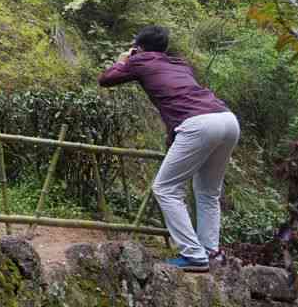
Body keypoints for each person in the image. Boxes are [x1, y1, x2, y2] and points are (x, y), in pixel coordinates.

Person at [98, 25, 240, 272]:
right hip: (227, 119)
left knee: (165, 188)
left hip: (199, 124)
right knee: (208, 192)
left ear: (138, 47)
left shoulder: (139, 60)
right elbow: (179, 100)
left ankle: (194, 255)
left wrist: (122, 60)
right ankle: (210, 251)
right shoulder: (180, 64)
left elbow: (106, 79)